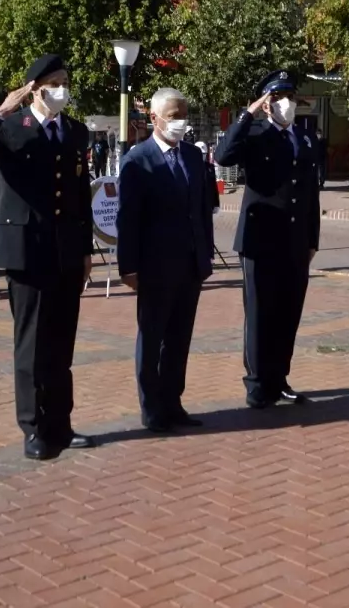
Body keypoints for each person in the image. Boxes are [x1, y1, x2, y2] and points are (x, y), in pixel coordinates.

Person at [0, 53, 95, 461]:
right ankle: (33, 428)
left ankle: (61, 423)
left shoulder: (75, 131)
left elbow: (79, 194)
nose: (63, 89)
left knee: (61, 344)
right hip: (25, 251)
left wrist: (86, 248)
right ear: (35, 88)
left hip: (66, 251)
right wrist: (1, 110)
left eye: (66, 81)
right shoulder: (11, 128)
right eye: (55, 82)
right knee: (31, 345)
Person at [213, 70, 321, 409]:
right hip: (260, 240)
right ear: (267, 103)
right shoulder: (254, 133)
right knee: (261, 313)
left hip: (294, 241)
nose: (286, 103)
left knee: (288, 313)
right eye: (277, 98)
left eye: (289, 96)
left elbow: (310, 194)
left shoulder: (305, 138)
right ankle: (258, 383)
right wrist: (248, 114)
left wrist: (312, 239)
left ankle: (280, 378)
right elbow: (223, 155)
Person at [117, 88, 214, 433]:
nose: (180, 122)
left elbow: (203, 211)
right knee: (153, 337)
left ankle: (173, 402)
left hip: (190, 265)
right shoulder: (137, 160)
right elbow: (127, 219)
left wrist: (205, 256)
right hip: (155, 267)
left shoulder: (191, 156)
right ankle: (152, 408)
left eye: (184, 114)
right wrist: (127, 266)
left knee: (179, 339)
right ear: (154, 118)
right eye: (174, 116)